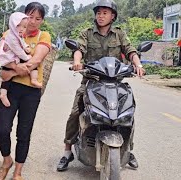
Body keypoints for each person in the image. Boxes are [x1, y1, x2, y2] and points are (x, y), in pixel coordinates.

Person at [57, 0, 145, 171]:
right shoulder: (87, 33)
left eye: (105, 12)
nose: (101, 16)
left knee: (128, 113)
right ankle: (67, 151)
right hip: (91, 81)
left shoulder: (119, 34)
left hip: (116, 82)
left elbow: (131, 50)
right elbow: (79, 49)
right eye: (98, 13)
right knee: (76, 112)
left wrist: (138, 65)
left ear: (113, 16)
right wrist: (77, 62)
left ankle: (127, 149)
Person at [0, 2, 51, 180]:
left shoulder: (44, 36)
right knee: (2, 129)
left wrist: (11, 71)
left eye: (37, 19)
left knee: (24, 132)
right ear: (23, 16)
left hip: (30, 92)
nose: (33, 22)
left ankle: (18, 172)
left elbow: (36, 60)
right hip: (10, 89)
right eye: (30, 17)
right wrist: (14, 70)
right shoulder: (9, 33)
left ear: (42, 21)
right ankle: (6, 160)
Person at [0, 11, 42, 107]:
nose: (22, 29)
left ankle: (34, 79)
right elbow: (17, 50)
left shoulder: (17, 35)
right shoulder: (10, 36)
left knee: (7, 76)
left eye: (24, 27)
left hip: (13, 58)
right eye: (19, 26)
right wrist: (26, 57)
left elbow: (22, 42)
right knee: (6, 77)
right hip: (8, 59)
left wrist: (26, 47)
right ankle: (3, 94)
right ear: (13, 25)